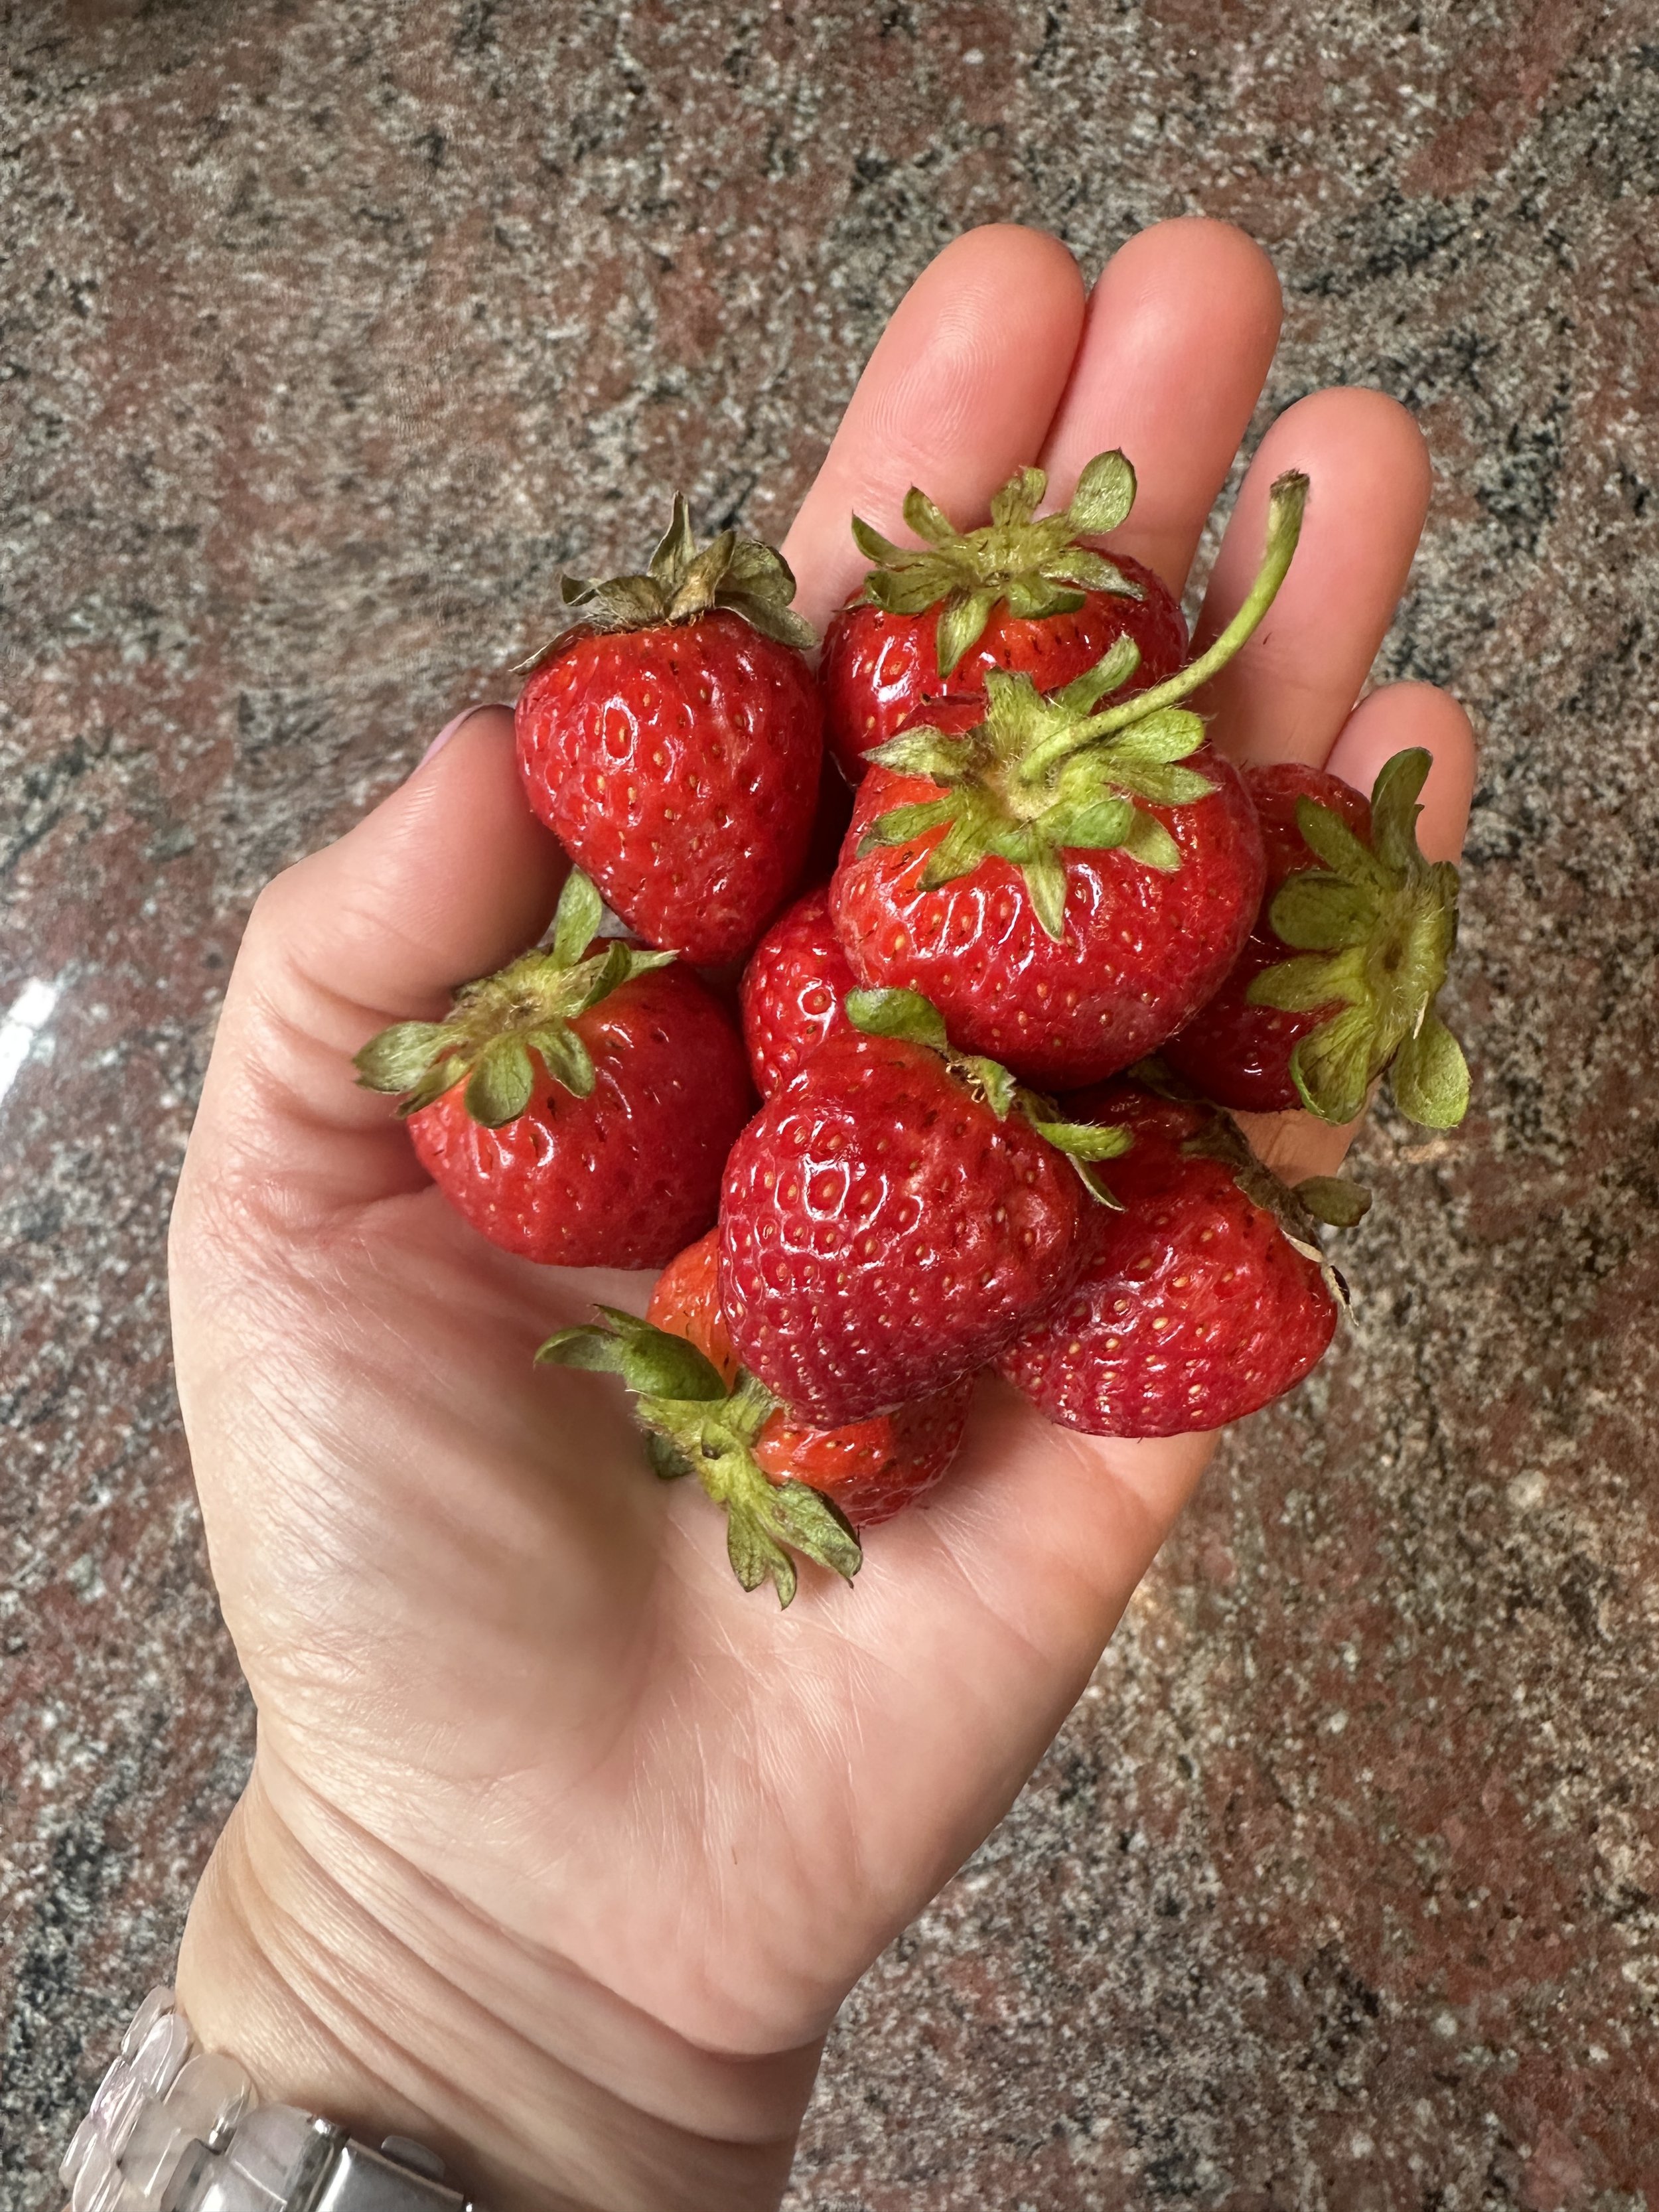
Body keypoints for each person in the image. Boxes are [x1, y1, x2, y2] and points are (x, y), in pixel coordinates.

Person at [164, 218, 1475, 2211]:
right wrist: (441, 1961)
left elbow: (854, 1073)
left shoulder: (877, 1020)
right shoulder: (877, 1034)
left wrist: (427, 1978)